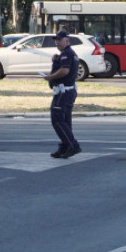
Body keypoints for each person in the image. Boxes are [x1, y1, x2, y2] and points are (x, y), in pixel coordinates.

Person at [45, 30, 81, 158]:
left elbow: (64, 71)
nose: (57, 42)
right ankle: (65, 147)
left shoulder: (67, 54)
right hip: (67, 91)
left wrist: (50, 77)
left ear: (67, 41)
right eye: (56, 40)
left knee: (57, 120)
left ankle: (73, 146)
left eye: (59, 40)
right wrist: (56, 60)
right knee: (65, 121)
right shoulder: (69, 54)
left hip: (63, 92)